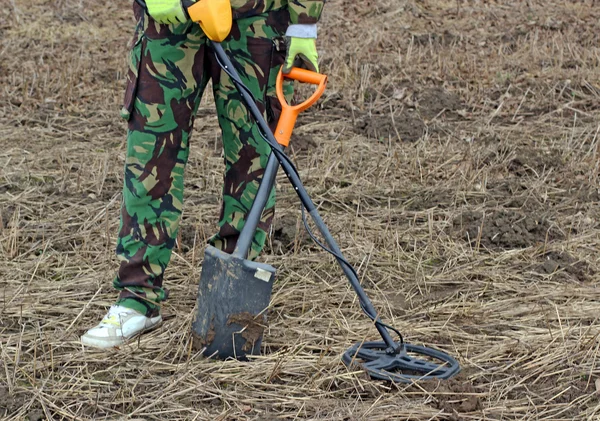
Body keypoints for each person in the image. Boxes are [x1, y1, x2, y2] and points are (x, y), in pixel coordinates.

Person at [80, 0, 324, 348]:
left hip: (254, 16)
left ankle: (231, 299)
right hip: (171, 19)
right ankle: (137, 299)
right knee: (151, 152)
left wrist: (304, 23)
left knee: (252, 154)